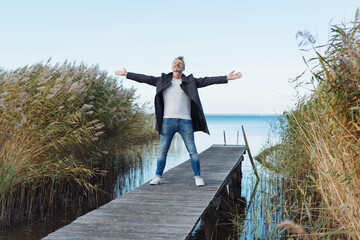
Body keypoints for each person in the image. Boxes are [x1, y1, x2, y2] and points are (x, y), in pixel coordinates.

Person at [115, 56, 242, 186]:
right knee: (163, 150)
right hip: (167, 121)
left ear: (183, 68)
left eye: (180, 63)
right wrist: (127, 74)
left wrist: (226, 77)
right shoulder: (162, 80)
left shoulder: (191, 82)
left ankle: (198, 177)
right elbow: (145, 78)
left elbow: (208, 80)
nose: (177, 64)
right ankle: (158, 176)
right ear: (172, 66)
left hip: (186, 122)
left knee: (192, 150)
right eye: (175, 63)